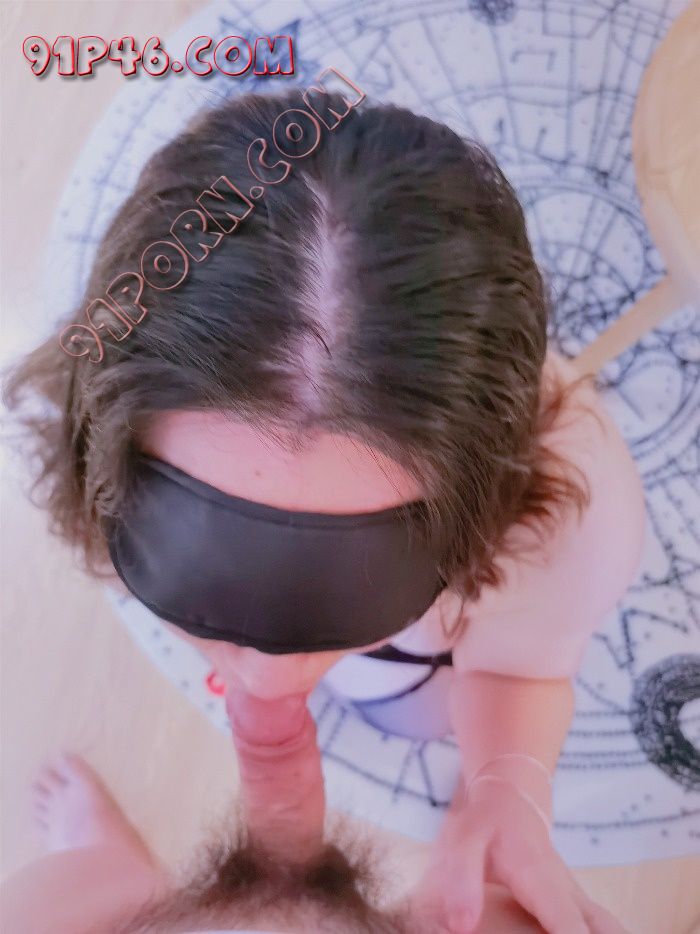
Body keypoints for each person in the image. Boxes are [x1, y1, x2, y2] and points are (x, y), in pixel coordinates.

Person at [5, 85, 644, 932]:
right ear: (106, 446)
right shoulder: (116, 449)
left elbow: (523, 669)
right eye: (196, 572)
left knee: (417, 708)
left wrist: (505, 790)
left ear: (483, 503)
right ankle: (115, 870)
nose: (266, 680)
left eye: (357, 590)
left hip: (422, 666)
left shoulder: (573, 520)